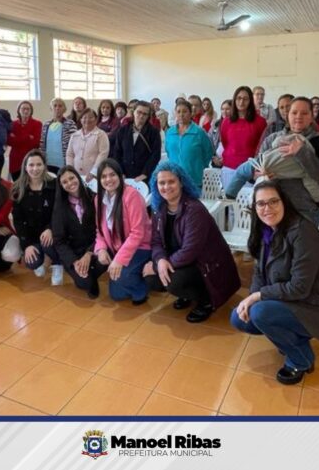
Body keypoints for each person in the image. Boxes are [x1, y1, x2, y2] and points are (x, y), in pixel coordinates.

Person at [230, 180, 319, 385]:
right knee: (240, 317)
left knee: (260, 312)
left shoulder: (303, 232)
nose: (268, 208)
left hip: (318, 306)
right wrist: (250, 298)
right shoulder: (266, 231)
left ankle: (301, 359)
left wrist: (257, 297)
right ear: (255, 208)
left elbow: (299, 287)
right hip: (291, 301)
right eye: (261, 204)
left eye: (274, 201)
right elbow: (259, 272)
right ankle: (292, 338)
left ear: (285, 202)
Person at [145, 162, 240, 322]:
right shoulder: (159, 208)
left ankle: (206, 301)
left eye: (171, 181)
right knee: (152, 279)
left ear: (181, 182)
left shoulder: (194, 209)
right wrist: (160, 260)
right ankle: (187, 294)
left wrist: (160, 266)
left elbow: (191, 251)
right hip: (182, 261)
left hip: (206, 265)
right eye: (161, 183)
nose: (166, 186)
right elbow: (155, 242)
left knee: (172, 281)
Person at [225, 98, 319, 225]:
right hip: (270, 210)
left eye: (304, 113)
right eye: (294, 112)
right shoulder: (273, 138)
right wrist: (258, 174)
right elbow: (257, 164)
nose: (299, 117)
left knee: (302, 244)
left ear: (312, 116)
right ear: (287, 115)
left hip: (303, 209)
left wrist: (302, 153)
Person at [93, 159, 152, 305]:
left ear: (121, 176)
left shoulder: (132, 196)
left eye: (112, 175)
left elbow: (137, 233)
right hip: (118, 248)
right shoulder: (98, 199)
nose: (108, 179)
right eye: (104, 176)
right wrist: (100, 249)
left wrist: (119, 259)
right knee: (116, 294)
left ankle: (142, 289)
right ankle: (133, 274)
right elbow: (99, 232)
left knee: (121, 280)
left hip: (141, 247)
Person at [52, 166, 106, 298]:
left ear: (78, 177)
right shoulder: (60, 207)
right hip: (74, 254)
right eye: (65, 182)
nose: (70, 183)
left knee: (106, 259)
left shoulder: (94, 198)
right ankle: (88, 277)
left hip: (95, 248)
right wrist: (75, 261)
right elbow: (59, 241)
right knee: (84, 283)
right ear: (61, 186)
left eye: (72, 178)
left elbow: (103, 231)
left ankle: (90, 271)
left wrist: (89, 253)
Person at [12, 150, 62, 284]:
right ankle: (43, 257)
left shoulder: (55, 185)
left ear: (45, 166)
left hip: (53, 232)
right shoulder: (17, 189)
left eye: (39, 165)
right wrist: (26, 245)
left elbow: (60, 212)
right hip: (32, 236)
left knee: (48, 243)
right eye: (31, 165)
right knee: (32, 262)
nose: (35, 169)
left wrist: (51, 228)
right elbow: (18, 220)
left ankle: (57, 264)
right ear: (25, 167)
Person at [219, 85, 267, 188]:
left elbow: (262, 147)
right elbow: (225, 142)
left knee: (249, 203)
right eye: (239, 98)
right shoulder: (226, 121)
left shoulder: (260, 122)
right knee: (230, 203)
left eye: (245, 99)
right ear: (234, 100)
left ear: (250, 101)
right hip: (229, 168)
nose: (241, 102)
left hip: (250, 171)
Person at [164, 100, 214, 189]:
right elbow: (168, 151)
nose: (181, 114)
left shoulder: (199, 132)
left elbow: (208, 152)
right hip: (174, 178)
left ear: (191, 114)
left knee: (193, 202)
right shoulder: (170, 132)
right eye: (178, 111)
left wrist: (200, 166)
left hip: (194, 178)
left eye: (185, 111)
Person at [110, 100, 161, 183]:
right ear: (133, 112)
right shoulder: (123, 130)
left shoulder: (153, 132)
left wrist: (145, 173)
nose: (141, 116)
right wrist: (120, 172)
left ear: (148, 116)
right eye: (139, 112)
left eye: (145, 114)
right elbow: (117, 152)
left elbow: (155, 155)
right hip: (124, 175)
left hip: (144, 176)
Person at [66, 108, 109, 183]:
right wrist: (70, 170)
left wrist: (93, 172)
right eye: (84, 117)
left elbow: (103, 154)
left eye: (91, 117)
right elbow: (70, 154)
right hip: (76, 175)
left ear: (96, 120)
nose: (87, 120)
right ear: (81, 119)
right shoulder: (74, 135)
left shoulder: (101, 134)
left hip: (94, 176)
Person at [7, 100, 42, 182]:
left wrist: (16, 138)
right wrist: (28, 137)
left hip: (31, 160)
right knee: (17, 186)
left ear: (31, 111)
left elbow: (36, 143)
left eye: (28, 109)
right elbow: (9, 141)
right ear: (19, 110)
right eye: (23, 109)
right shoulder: (12, 124)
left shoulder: (37, 124)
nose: (26, 111)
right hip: (15, 161)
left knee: (31, 185)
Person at [40, 97, 77, 174]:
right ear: (51, 108)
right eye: (55, 106)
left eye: (60, 106)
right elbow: (42, 144)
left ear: (64, 109)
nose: (57, 108)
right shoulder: (46, 124)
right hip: (48, 162)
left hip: (64, 162)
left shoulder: (70, 123)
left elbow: (75, 144)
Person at [208, 99, 232, 167]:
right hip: (216, 160)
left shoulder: (237, 125)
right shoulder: (216, 124)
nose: (224, 111)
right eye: (222, 109)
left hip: (230, 162)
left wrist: (225, 159)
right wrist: (213, 157)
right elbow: (209, 141)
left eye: (227, 109)